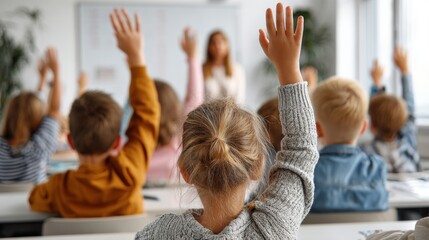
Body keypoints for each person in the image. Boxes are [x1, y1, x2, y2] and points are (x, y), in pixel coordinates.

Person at [135, 3, 319, 239]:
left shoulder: (160, 234)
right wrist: (289, 68)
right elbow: (302, 151)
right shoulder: (273, 227)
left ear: (185, 171)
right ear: (258, 166)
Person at [28, 8, 161, 217]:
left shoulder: (58, 188)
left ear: (71, 142)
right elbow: (148, 114)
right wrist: (136, 58)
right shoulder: (130, 172)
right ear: (117, 142)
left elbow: (33, 198)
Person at [120, 27, 204, 184]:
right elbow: (194, 98)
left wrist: (135, 69)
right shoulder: (181, 143)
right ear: (174, 107)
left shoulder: (131, 148)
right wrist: (193, 58)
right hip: (175, 207)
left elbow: (130, 111)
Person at [311, 76, 388, 212]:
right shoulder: (377, 167)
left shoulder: (308, 171)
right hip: (367, 234)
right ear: (363, 127)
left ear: (317, 129)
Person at [0, 48, 61, 183]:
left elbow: (28, 108)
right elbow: (54, 110)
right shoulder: (38, 148)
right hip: (30, 204)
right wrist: (56, 72)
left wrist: (42, 79)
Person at [361, 48, 419, 173]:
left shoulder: (367, 154)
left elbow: (378, 110)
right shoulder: (408, 142)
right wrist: (405, 71)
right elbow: (410, 107)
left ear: (372, 125)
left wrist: (376, 81)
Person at [203, 30, 245, 104]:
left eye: (220, 42)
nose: (217, 46)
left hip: (232, 114)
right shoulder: (202, 70)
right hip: (206, 114)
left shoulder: (237, 69)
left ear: (226, 45)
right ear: (209, 47)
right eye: (213, 43)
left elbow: (240, 99)